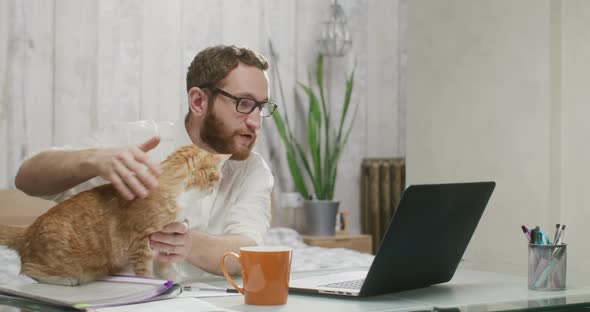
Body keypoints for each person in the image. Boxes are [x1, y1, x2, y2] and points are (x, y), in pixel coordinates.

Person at [14, 45, 277, 280]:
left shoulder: (253, 170)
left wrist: (186, 243)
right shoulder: (135, 140)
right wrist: (93, 160)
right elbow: (26, 178)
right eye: (243, 103)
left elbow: (249, 248)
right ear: (198, 101)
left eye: (261, 106)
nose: (255, 121)